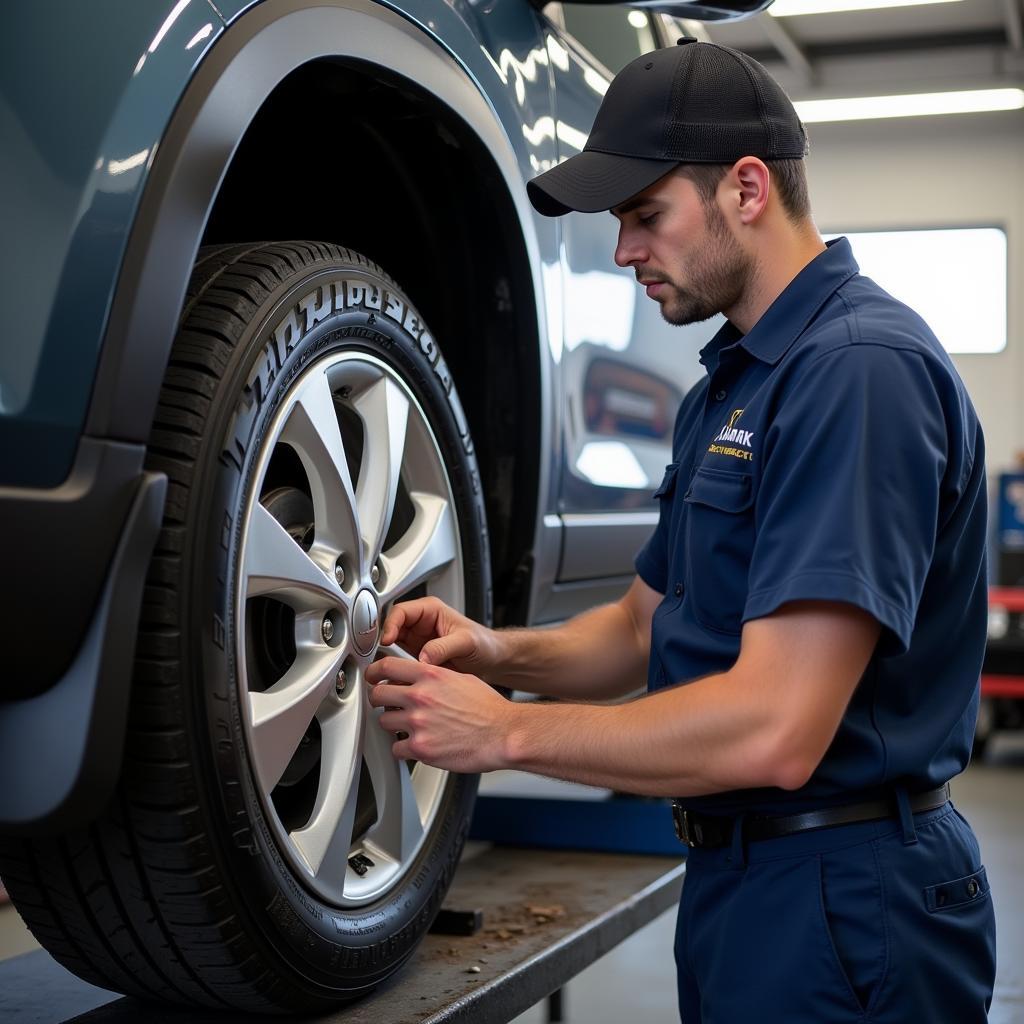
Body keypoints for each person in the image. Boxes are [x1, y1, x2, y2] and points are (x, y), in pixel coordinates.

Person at [365, 39, 996, 1022]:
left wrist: (505, 732)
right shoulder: (730, 386)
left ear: (746, 189)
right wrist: (493, 650)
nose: (622, 253)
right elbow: (636, 630)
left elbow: (777, 730)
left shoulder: (856, 373)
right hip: (738, 882)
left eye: (644, 216)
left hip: (847, 889)